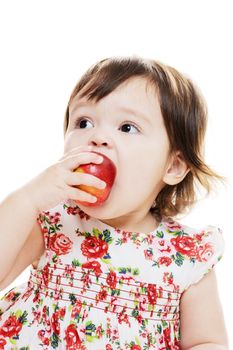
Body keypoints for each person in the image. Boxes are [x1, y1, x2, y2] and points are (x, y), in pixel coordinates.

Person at [0, 56, 229, 349]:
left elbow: (207, 341)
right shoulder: (54, 221)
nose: (98, 138)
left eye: (127, 127)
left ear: (172, 166)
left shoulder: (185, 255)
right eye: (83, 122)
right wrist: (28, 199)